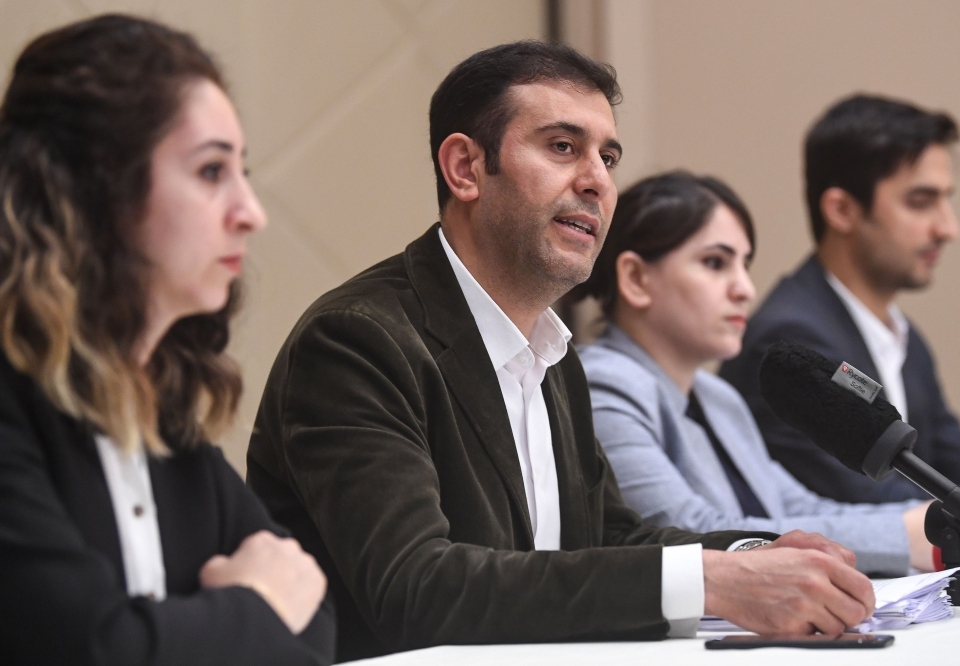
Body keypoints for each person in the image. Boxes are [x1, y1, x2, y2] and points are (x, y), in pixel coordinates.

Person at [248, 41, 875, 662]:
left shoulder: (550, 352)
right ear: (465, 168)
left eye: (608, 157)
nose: (598, 182)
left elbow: (607, 537)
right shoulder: (358, 342)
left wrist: (756, 557)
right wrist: (712, 583)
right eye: (562, 147)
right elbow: (417, 588)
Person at [0, 15, 335, 665]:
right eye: (211, 172)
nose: (251, 212)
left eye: (242, 171)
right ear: (98, 191)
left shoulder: (166, 421)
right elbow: (94, 651)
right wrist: (253, 607)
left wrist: (199, 627)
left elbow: (314, 618)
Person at [575, 171, 932, 576]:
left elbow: (799, 508)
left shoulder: (717, 396)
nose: (745, 287)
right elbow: (687, 531)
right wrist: (902, 537)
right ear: (636, 279)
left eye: (745, 265)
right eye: (715, 263)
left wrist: (932, 518)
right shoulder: (603, 384)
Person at [720, 94, 960, 504]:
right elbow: (869, 500)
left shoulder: (906, 339)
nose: (948, 227)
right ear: (842, 210)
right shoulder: (791, 338)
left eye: (946, 199)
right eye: (921, 202)